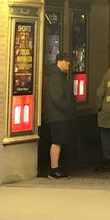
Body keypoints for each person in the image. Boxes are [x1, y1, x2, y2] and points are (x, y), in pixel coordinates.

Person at [43, 51, 76, 180]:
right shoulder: (56, 77)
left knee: (59, 141)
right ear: (59, 61)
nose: (68, 63)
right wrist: (67, 107)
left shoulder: (58, 75)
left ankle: (56, 167)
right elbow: (57, 97)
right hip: (57, 115)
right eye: (66, 61)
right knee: (57, 141)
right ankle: (54, 169)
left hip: (57, 114)